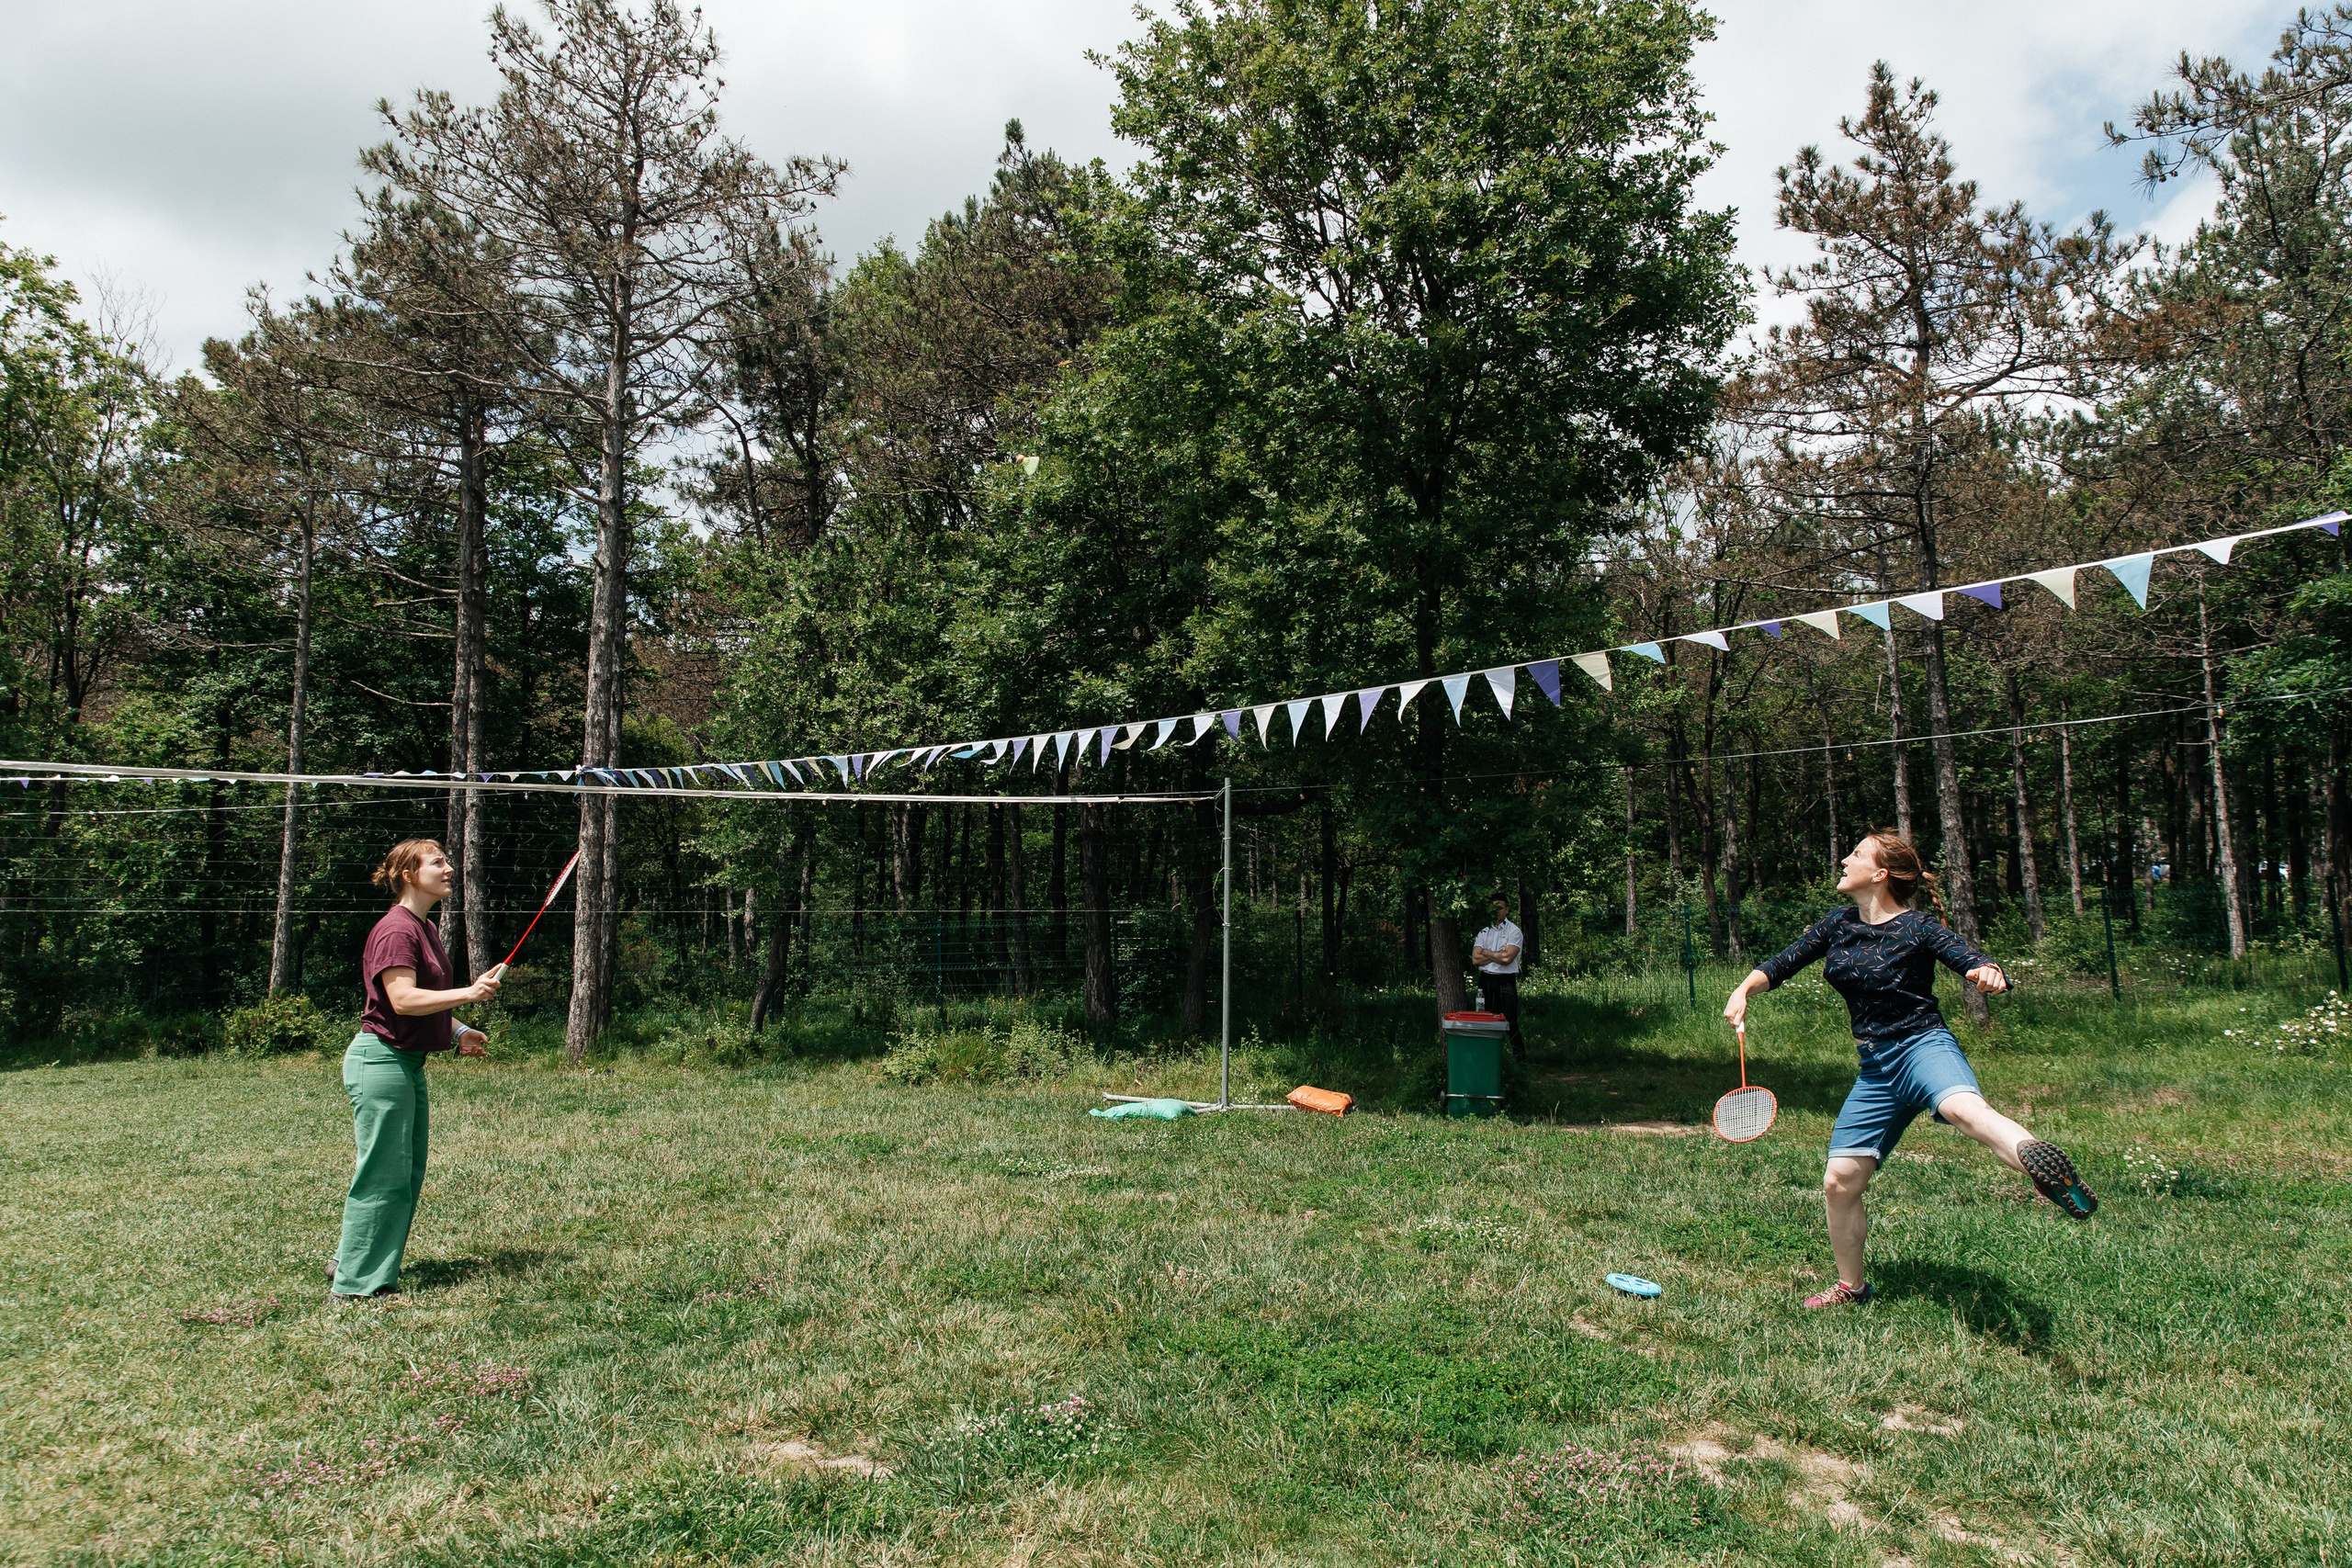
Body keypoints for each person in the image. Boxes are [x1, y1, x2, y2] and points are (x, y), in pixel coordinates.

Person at [1723, 831, 2097, 1310]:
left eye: (1855, 855)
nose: (1843, 858)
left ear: (1879, 874)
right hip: (1876, 1067)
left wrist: (1987, 972)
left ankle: (2038, 1163)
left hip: (1922, 1046)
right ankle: (1852, 1289)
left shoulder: (1919, 927)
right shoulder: (1837, 923)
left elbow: (1971, 960)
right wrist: (1743, 990)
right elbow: (1783, 962)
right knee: (1840, 1181)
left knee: (1964, 1109)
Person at [331, 839, 500, 1303]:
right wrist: (468, 994)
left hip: (404, 1061)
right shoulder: (396, 930)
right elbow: (402, 1000)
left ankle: (355, 1260)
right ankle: (357, 1286)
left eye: (446, 861)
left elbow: (418, 1004)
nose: (449, 869)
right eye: (438, 863)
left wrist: (458, 1029)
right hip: (381, 1060)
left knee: (403, 1173)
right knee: (383, 1174)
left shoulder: (422, 927)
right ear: (408, 873)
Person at [1468, 892, 1526, 1061]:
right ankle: (1488, 1059)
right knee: (1485, 1018)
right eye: (1494, 908)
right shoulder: (1484, 931)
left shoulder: (1514, 931)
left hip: (1505, 981)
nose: (1497, 912)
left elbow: (1507, 959)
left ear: (1507, 910)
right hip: (1486, 979)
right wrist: (1495, 954)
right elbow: (1475, 959)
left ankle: (1519, 1060)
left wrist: (1485, 952)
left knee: (1509, 1021)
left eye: (1500, 908)